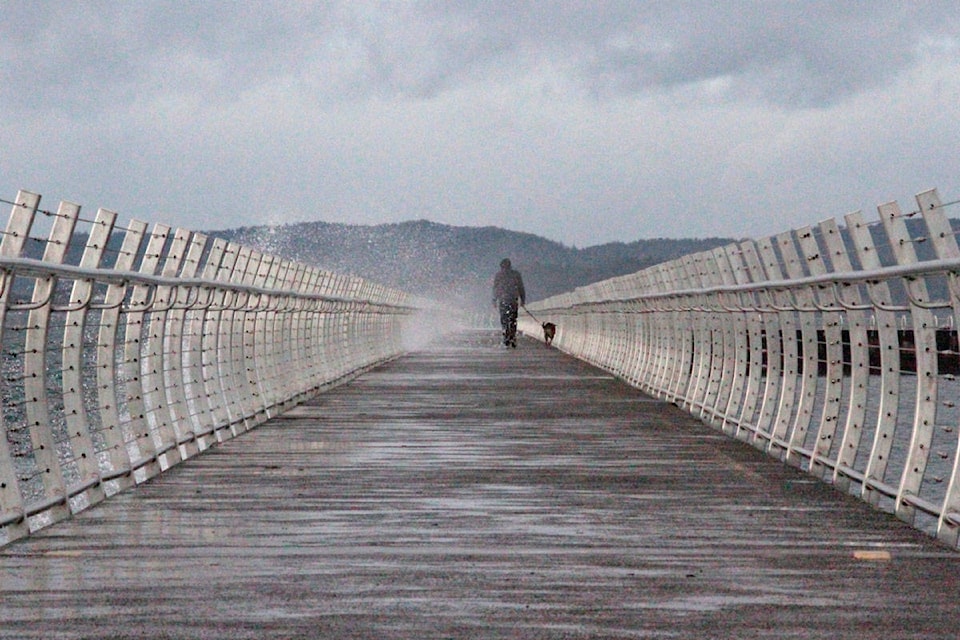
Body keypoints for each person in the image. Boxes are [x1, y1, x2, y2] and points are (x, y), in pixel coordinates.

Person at [492, 258, 525, 348]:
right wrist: (522, 299)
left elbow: (495, 289)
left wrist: (494, 300)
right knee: (513, 319)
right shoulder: (516, 274)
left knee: (504, 319)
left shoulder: (498, 275)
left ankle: (506, 336)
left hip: (503, 301)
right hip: (513, 300)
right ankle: (512, 336)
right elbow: (521, 287)